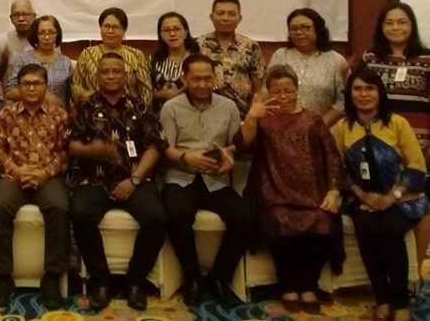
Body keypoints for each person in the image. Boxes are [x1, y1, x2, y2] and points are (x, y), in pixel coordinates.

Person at [237, 64, 343, 314]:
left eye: (288, 91)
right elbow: (242, 144)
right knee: (280, 221)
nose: (283, 97)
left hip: (312, 193)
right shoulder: (263, 119)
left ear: (297, 90)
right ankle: (288, 286)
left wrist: (334, 190)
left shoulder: (312, 119)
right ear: (269, 92)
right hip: (273, 191)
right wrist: (251, 117)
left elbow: (332, 157)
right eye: (277, 92)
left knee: (322, 222)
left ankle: (307, 285)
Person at [68, 53, 168, 311]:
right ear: (97, 75)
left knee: (157, 218)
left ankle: (136, 281)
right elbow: (70, 145)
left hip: (133, 178)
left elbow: (154, 148)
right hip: (94, 179)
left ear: (125, 75)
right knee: (80, 214)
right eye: (105, 72)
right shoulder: (84, 106)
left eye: (116, 71)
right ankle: (101, 281)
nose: (111, 76)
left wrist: (134, 180)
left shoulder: (141, 106)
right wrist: (90, 150)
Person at [332, 66, 428, 321]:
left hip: (402, 197)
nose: (363, 94)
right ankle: (382, 300)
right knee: (367, 229)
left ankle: (401, 303)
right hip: (361, 198)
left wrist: (390, 197)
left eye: (369, 88)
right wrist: (361, 195)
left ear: (380, 93)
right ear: (350, 94)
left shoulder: (398, 123)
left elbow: (417, 167)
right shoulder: (342, 127)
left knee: (391, 230)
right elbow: (337, 169)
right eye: (358, 89)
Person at [160, 53, 254, 306]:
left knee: (244, 218)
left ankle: (220, 278)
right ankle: (192, 278)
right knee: (177, 214)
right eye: (196, 79)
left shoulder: (228, 107)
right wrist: (186, 157)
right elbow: (165, 149)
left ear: (215, 78)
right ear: (184, 79)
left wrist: (228, 155)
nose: (202, 84)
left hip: (216, 179)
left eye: (207, 78)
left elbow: (236, 145)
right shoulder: (171, 108)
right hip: (181, 177)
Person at [0, 64, 70, 310]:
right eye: (27, 84)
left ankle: (52, 277)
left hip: (48, 177)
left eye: (37, 83)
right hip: (14, 176)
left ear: (46, 86)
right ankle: (3, 277)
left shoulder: (60, 115)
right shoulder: (6, 115)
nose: (32, 88)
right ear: (19, 87)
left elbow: (65, 153)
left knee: (59, 207)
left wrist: (45, 173)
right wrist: (17, 171)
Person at [362, 2, 430, 269]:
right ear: (381, 27)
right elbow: (360, 100)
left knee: (420, 203)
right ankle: (390, 269)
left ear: (412, 26)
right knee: (386, 203)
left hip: (420, 146)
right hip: (381, 147)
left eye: (402, 22)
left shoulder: (426, 59)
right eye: (389, 22)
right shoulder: (370, 58)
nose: (395, 27)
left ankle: (418, 272)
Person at [268, 8, 347, 126]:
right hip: (281, 126)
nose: (299, 32)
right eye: (293, 29)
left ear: (318, 29)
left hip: (322, 127)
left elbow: (342, 101)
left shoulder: (336, 60)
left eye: (305, 27)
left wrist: (319, 126)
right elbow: (267, 90)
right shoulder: (280, 55)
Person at [196, 0, 265, 117]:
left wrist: (253, 113)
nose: (225, 18)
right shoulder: (198, 44)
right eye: (220, 13)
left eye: (231, 14)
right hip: (206, 113)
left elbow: (258, 85)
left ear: (240, 18)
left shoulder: (250, 45)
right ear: (212, 17)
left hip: (242, 114)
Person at [71, 7, 152, 106]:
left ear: (124, 30)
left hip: (129, 111)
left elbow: (146, 91)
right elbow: (76, 86)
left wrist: (140, 110)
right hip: (93, 110)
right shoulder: (87, 54)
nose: (110, 31)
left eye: (115, 27)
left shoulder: (136, 55)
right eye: (106, 26)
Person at [4, 15, 73, 108]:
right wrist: (43, 97)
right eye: (42, 33)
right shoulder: (23, 59)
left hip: (58, 114)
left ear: (57, 35)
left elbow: (72, 95)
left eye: (51, 33)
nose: (47, 37)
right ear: (35, 35)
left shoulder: (65, 63)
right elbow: (10, 91)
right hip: (28, 114)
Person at [149, 12, 199, 111]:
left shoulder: (198, 57)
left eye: (177, 29)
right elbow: (144, 92)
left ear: (186, 32)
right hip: (161, 114)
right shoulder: (154, 60)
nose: (172, 34)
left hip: (193, 112)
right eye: (167, 30)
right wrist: (162, 95)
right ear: (160, 35)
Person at [0, 0, 35, 81]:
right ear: (11, 18)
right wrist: (3, 62)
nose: (21, 18)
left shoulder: (44, 40)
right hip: (9, 88)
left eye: (25, 14)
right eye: (16, 15)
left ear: (34, 16)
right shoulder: (3, 41)